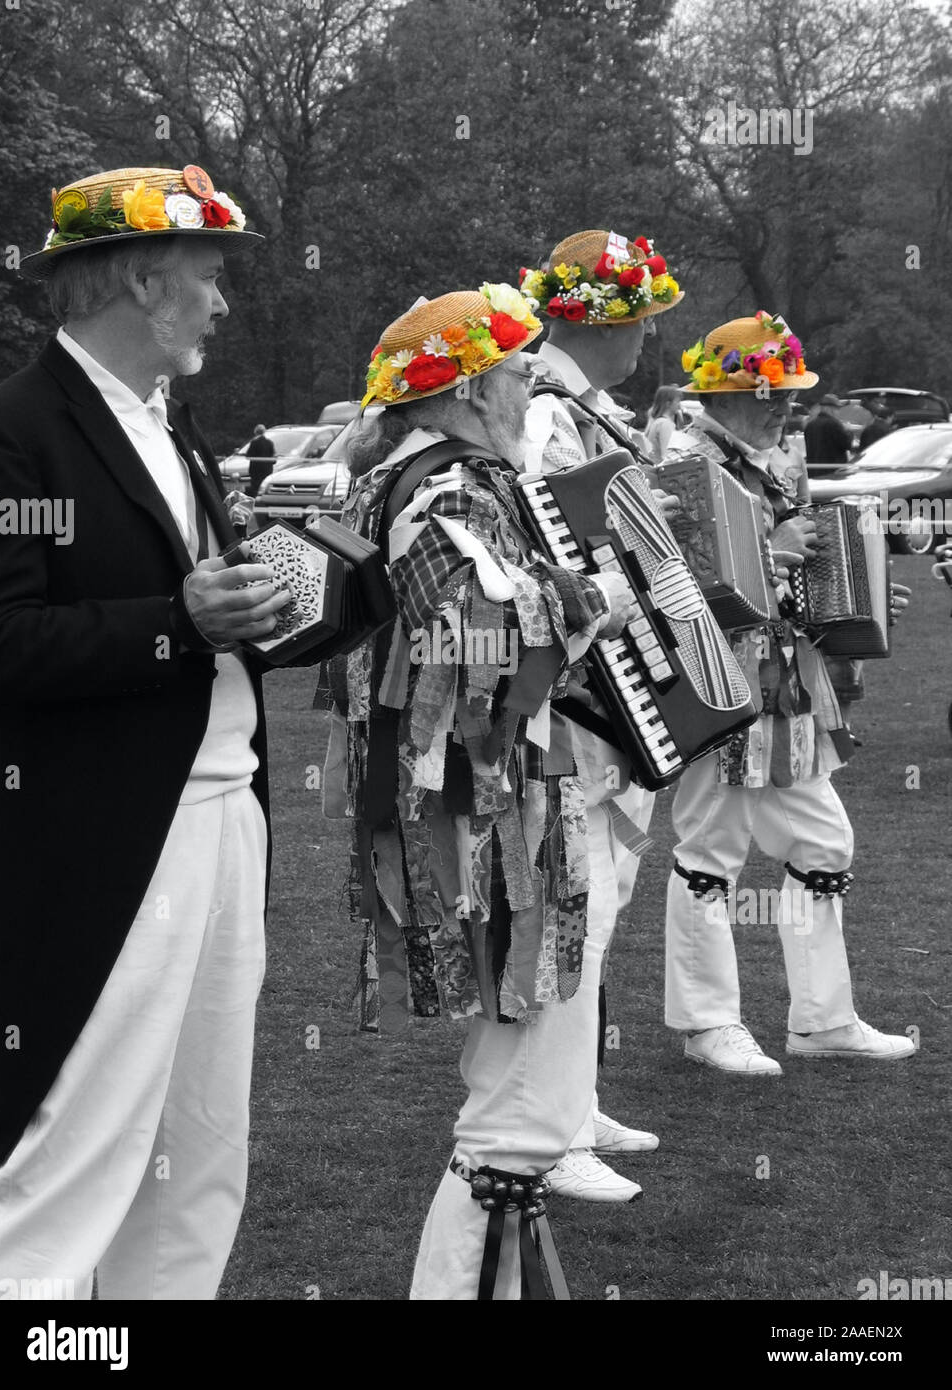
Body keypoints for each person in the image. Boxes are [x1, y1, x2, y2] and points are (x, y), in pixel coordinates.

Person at [0, 163, 290, 1299]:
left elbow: (202, 609)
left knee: (199, 1149)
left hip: (223, 814)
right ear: (144, 281)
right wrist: (177, 621)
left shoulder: (174, 423)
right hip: (104, 837)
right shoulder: (10, 431)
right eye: (208, 277)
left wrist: (291, 603)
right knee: (70, 1154)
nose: (222, 303)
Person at [320, 284, 638, 1299]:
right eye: (511, 373)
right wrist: (599, 599)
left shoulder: (423, 477)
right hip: (488, 805)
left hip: (492, 800)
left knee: (522, 1069)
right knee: (520, 1097)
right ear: (464, 389)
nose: (524, 389)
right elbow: (476, 650)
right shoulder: (447, 489)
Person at [663, 314, 915, 1073]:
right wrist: (770, 553)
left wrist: (857, 597)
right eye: (769, 393)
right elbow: (678, 586)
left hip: (781, 685)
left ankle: (822, 1019)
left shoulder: (760, 460)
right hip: (718, 683)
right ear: (723, 395)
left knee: (822, 843)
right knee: (710, 848)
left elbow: (788, 576)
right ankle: (707, 1023)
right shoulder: (685, 462)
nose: (784, 407)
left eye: (787, 394)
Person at [517, 228, 684, 1202]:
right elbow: (550, 550)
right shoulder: (546, 411)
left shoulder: (589, 410)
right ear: (603, 320)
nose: (650, 333)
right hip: (575, 691)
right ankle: (547, 1132)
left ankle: (573, 1103)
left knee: (603, 897)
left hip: (611, 681)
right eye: (642, 316)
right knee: (574, 904)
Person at [804, 393, 851, 467]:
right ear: (828, 408)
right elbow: (847, 445)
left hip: (814, 469)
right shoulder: (834, 424)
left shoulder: (810, 425)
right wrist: (848, 431)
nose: (838, 412)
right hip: (833, 469)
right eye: (836, 409)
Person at [644, 383, 687, 462]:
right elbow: (667, 456)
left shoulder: (658, 421)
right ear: (668, 404)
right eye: (677, 401)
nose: (679, 406)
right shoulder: (665, 424)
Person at [246, 422, 276, 496]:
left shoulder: (254, 442)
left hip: (256, 469)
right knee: (264, 486)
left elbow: (248, 455)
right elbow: (273, 458)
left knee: (255, 487)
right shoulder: (270, 443)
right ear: (264, 432)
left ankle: (255, 499)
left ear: (255, 432)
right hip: (267, 469)